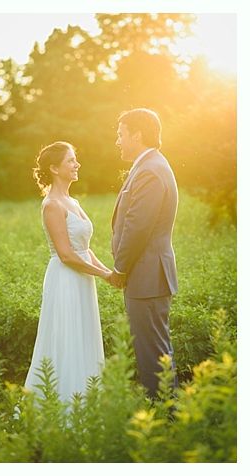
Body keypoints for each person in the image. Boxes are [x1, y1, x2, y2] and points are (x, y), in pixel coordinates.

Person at [24, 141, 110, 401]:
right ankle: (63, 404)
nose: (77, 164)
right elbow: (66, 254)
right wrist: (104, 275)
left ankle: (88, 399)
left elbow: (84, 249)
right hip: (65, 280)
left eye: (75, 159)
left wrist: (110, 272)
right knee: (67, 338)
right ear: (54, 168)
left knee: (84, 336)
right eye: (71, 161)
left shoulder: (72, 201)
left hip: (83, 279)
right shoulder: (52, 205)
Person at [110, 108, 179, 399]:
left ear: (137, 134)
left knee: (153, 354)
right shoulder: (150, 165)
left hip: (146, 276)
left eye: (121, 134)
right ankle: (166, 415)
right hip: (147, 276)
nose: (118, 141)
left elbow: (138, 227)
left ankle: (166, 419)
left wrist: (120, 269)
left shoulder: (150, 169)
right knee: (155, 350)